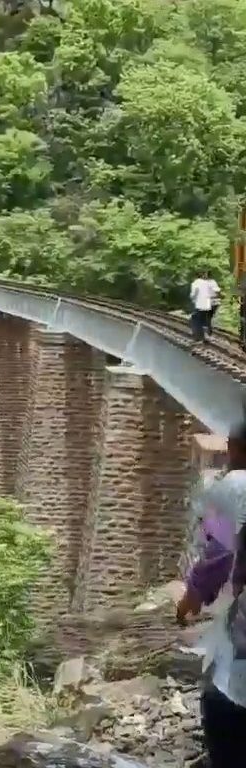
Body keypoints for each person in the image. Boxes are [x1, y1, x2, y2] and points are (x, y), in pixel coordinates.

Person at [176, 420, 246, 767]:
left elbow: (218, 553)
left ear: (235, 450)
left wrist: (191, 597)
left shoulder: (237, 487)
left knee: (224, 707)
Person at [190, 271, 213, 342]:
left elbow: (193, 294)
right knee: (205, 320)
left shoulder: (195, 283)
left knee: (195, 320)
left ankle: (198, 337)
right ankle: (207, 335)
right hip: (207, 305)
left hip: (199, 305)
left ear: (195, 277)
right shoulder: (207, 283)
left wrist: (192, 298)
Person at [206, 272, 221, 336]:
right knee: (211, 316)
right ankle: (210, 329)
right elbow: (217, 292)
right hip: (215, 302)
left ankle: (209, 331)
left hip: (208, 302)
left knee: (208, 316)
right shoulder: (214, 282)